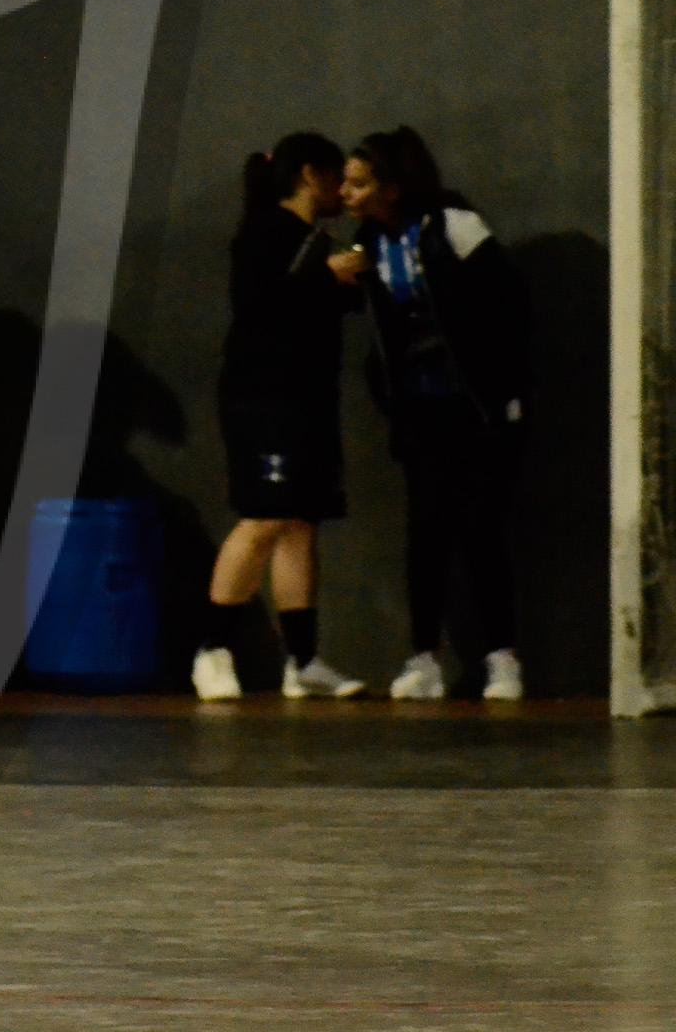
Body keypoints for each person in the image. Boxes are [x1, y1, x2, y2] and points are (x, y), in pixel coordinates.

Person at [343, 126, 532, 701]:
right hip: (419, 409)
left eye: (358, 184)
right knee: (425, 533)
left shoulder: (453, 225)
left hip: (471, 406)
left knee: (480, 529)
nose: (346, 194)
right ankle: (423, 657)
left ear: (392, 188)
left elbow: (509, 305)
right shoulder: (368, 244)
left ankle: (503, 659)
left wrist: (506, 392)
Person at [191, 132, 368, 701]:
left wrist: (349, 275)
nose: (343, 191)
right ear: (310, 175)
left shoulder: (319, 240)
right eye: (337, 178)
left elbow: (335, 303)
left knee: (300, 523)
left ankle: (304, 659)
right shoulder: (264, 233)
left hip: (307, 397)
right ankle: (212, 649)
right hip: (263, 397)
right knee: (264, 517)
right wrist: (327, 276)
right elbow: (261, 304)